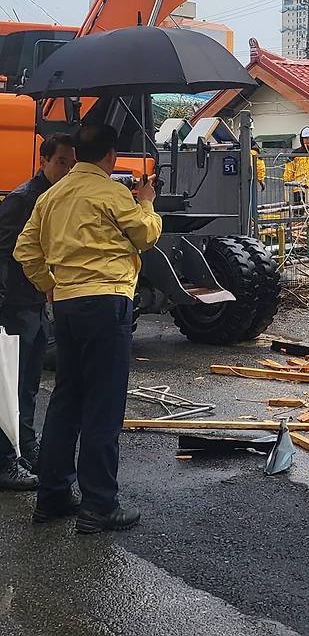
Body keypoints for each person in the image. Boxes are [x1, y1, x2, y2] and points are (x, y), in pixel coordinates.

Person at [14, 123, 162, 533]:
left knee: (66, 400)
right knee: (103, 404)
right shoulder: (112, 192)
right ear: (111, 156)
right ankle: (99, 504)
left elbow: (25, 248)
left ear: (77, 153)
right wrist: (146, 201)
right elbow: (146, 235)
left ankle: (53, 495)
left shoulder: (52, 195)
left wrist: (49, 285)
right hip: (107, 301)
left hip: (67, 303)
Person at [0, 134, 76, 491]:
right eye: (61, 162)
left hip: (35, 302)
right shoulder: (22, 200)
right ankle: (5, 462)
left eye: (71, 164)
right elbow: (3, 255)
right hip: (14, 306)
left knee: (29, 384)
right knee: (8, 387)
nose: (66, 170)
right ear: (43, 160)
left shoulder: (54, 198)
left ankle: (26, 449)